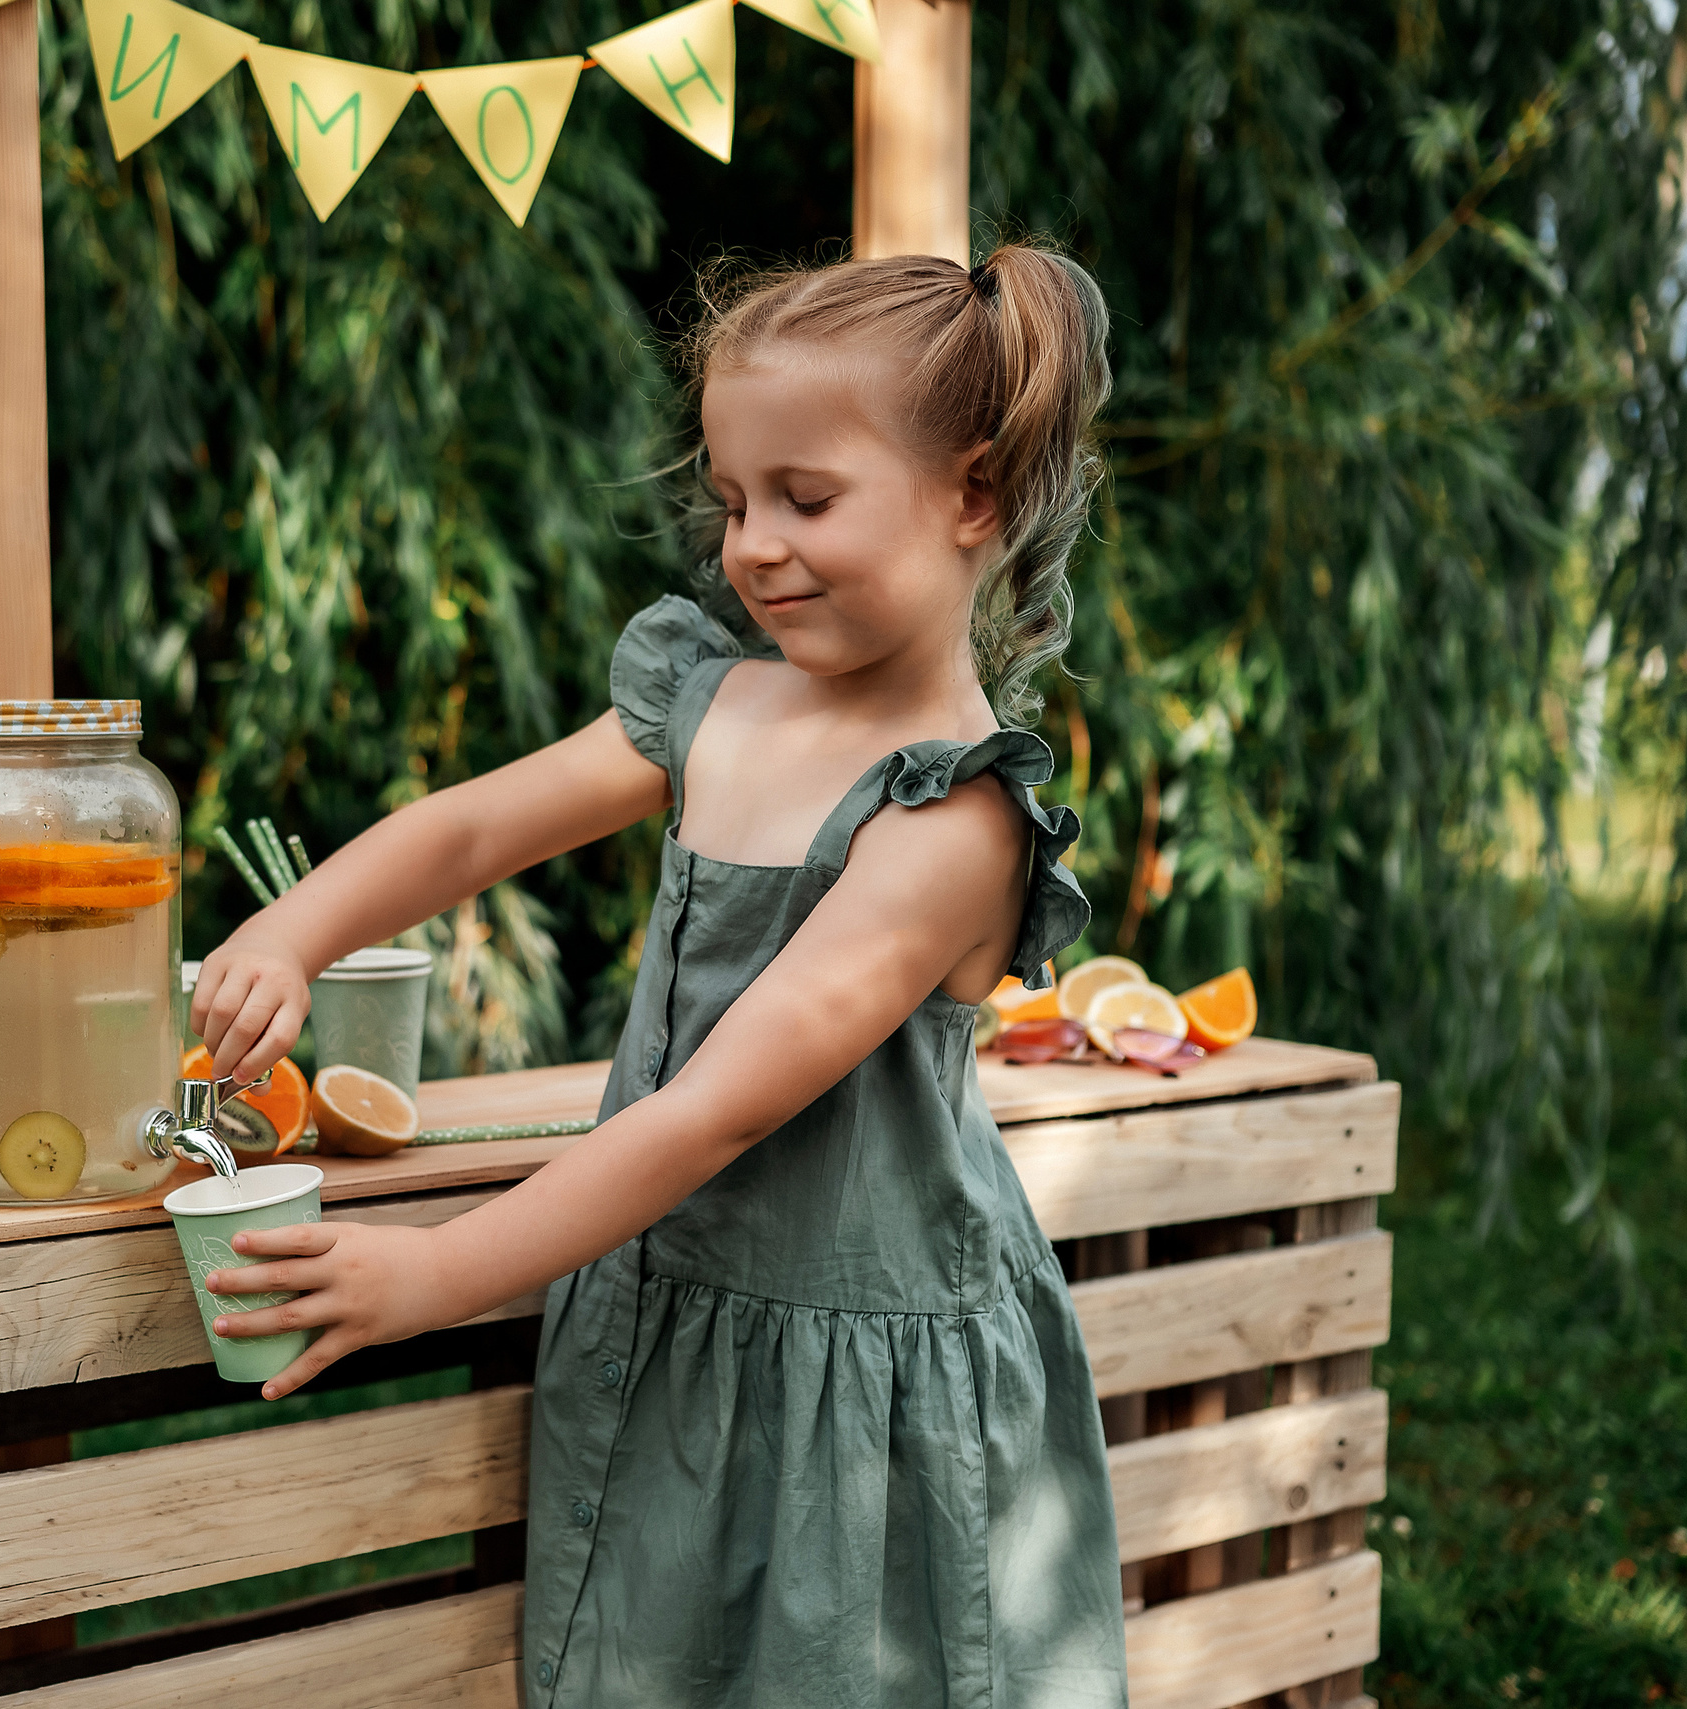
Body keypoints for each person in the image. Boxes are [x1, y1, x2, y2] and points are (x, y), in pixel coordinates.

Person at [190, 242, 1129, 1707]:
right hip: (668, 1302)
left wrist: (434, 1272)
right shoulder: (716, 704)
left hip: (857, 1375)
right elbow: (475, 826)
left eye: (807, 498)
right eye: (737, 500)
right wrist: (290, 931)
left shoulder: (952, 822)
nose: (755, 546)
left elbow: (714, 1113)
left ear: (976, 494)